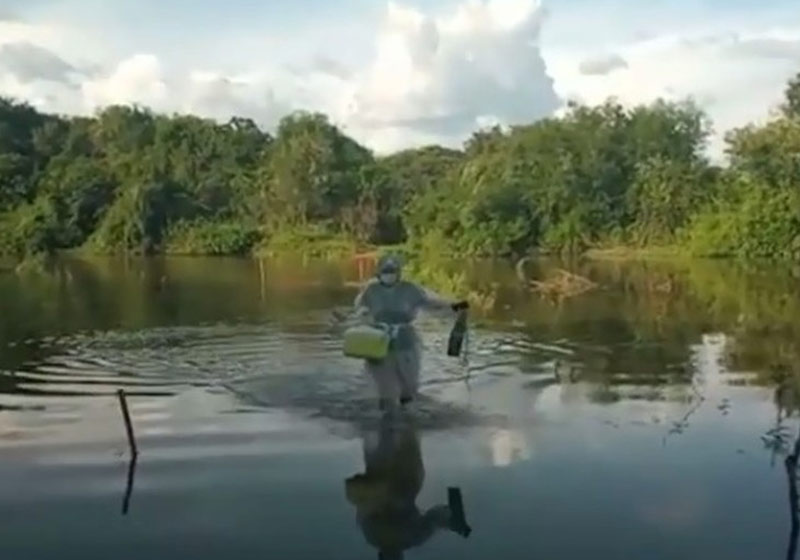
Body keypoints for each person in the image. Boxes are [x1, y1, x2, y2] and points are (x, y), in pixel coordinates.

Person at [344, 415, 471, 560]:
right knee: (393, 428)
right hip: (396, 477)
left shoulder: (409, 537)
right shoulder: (376, 536)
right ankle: (396, 409)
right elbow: (434, 517)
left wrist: (450, 518)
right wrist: (450, 519)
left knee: (402, 426)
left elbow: (435, 517)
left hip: (402, 479)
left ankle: (399, 409)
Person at [353, 254, 468, 410]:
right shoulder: (371, 290)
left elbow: (431, 303)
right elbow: (360, 307)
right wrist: (363, 314)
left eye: (393, 270)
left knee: (409, 386)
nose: (389, 274)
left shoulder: (410, 289)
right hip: (378, 340)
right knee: (384, 387)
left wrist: (454, 306)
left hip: (405, 340)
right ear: (379, 272)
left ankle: (407, 417)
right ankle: (385, 418)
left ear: (399, 272)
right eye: (386, 270)